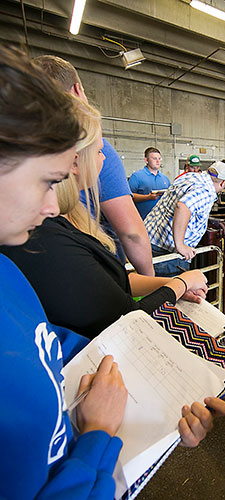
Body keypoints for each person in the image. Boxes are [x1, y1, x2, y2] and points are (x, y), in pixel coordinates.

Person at [0, 44, 128, 500]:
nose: (54, 205)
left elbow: (43, 345)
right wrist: (97, 437)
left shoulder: (7, 270)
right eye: (47, 182)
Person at [2, 102, 209, 339]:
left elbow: (112, 282)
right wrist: (180, 283)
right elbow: (125, 318)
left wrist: (167, 285)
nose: (103, 159)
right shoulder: (45, 235)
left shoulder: (72, 216)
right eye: (99, 151)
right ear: (75, 161)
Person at [35, 55, 155, 276]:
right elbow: (132, 233)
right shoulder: (89, 146)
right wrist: (152, 283)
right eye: (97, 152)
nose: (101, 157)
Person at [145, 161, 225, 276]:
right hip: (167, 251)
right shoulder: (206, 191)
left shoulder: (191, 176)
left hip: (151, 238)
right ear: (223, 183)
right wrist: (180, 245)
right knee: (170, 290)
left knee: (151, 285)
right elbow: (182, 207)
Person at [128, 147, 171, 219]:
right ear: (146, 160)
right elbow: (129, 196)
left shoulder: (165, 178)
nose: (158, 161)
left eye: (159, 158)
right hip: (143, 220)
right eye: (154, 158)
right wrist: (148, 197)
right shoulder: (137, 176)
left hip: (161, 220)